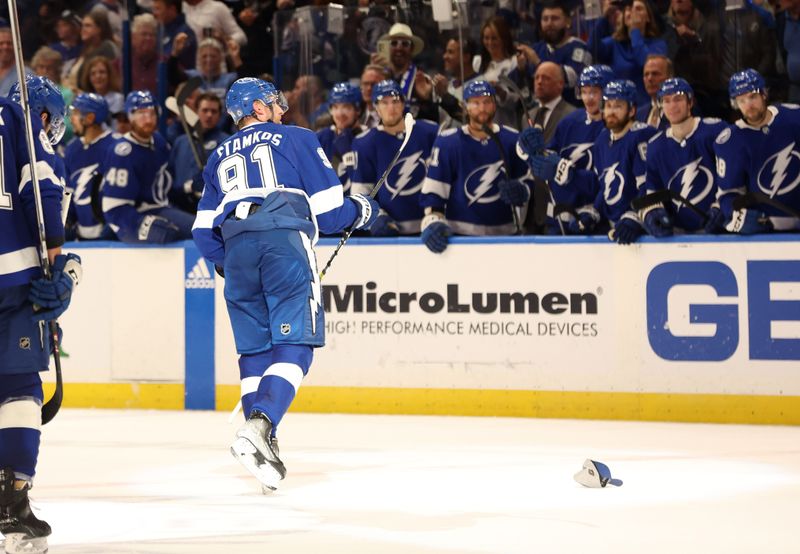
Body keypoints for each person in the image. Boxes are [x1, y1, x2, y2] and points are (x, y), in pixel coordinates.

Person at [192, 78, 379, 491]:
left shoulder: (217, 156)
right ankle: (259, 428)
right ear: (257, 108)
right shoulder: (296, 137)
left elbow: (203, 232)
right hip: (283, 239)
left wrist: (232, 263)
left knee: (255, 351)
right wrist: (363, 210)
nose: (282, 109)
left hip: (236, 249)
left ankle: (263, 446)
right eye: (275, 103)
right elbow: (330, 214)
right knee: (297, 344)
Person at [0, 75, 80, 554]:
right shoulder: (22, 120)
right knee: (19, 387)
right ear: (45, 115)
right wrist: (57, 263)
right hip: (11, 278)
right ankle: (11, 506)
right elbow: (43, 189)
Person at [520, 79, 657, 244]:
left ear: (632, 110)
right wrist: (595, 211)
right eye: (609, 105)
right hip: (609, 225)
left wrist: (635, 217)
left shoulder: (642, 135)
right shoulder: (603, 138)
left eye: (618, 106)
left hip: (636, 228)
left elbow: (649, 185)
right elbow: (604, 185)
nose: (611, 111)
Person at [420, 79, 532, 253]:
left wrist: (523, 191)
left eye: (487, 102)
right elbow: (435, 190)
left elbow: (527, 181)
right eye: (476, 102)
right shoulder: (448, 142)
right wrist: (432, 221)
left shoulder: (512, 139)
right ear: (465, 106)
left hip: (506, 236)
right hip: (460, 237)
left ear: (495, 104)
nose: (482, 108)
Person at [713, 69, 800, 234]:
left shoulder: (794, 117)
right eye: (742, 100)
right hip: (767, 228)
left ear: (764, 94)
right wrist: (736, 217)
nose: (749, 105)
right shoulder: (730, 141)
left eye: (752, 97)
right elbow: (728, 194)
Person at [101, 90, 194, 243]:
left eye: (152, 113)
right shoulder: (122, 152)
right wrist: (137, 225)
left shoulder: (159, 142)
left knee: (201, 229)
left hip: (159, 209)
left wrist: (188, 188)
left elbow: (164, 190)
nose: (148, 119)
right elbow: (114, 208)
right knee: (177, 233)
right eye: (141, 113)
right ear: (130, 117)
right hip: (130, 215)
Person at [638, 78, 727, 237]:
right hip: (677, 235)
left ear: (690, 102)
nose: (672, 106)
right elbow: (653, 191)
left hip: (717, 234)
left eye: (678, 99)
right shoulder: (655, 145)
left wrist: (721, 207)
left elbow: (732, 178)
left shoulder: (715, 132)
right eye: (666, 100)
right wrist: (652, 212)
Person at [350, 79, 439, 236]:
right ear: (376, 108)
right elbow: (361, 191)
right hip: (390, 228)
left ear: (404, 104)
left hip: (429, 225)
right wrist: (375, 218)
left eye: (395, 101)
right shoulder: (365, 143)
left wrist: (438, 215)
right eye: (384, 103)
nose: (391, 108)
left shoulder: (430, 132)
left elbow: (443, 179)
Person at [541, 64, 615, 234]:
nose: (588, 98)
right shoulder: (570, 121)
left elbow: (609, 181)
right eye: (584, 91)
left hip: (594, 222)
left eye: (594, 92)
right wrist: (536, 156)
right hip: (558, 220)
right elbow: (550, 158)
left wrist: (572, 175)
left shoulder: (615, 129)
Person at [588, 0, 667, 107]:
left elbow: (645, 63)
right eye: (629, 9)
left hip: (645, 107)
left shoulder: (657, 44)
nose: (632, 13)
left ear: (648, 18)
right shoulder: (614, 43)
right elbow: (592, 48)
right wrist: (603, 18)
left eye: (638, 9)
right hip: (617, 105)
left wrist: (635, 31)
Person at [516, 2, 592, 107]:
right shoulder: (537, 48)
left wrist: (538, 63)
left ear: (568, 22)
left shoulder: (579, 48)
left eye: (555, 18)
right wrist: (521, 69)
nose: (549, 23)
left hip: (569, 112)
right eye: (545, 19)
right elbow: (515, 86)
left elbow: (573, 78)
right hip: (538, 112)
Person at [64, 92, 117, 240]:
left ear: (90, 118)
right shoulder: (72, 149)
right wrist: (67, 221)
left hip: (110, 235)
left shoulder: (115, 147)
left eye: (75, 113)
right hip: (79, 235)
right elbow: (68, 192)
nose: (71, 118)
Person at [168, 92, 228, 212]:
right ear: (196, 111)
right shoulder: (181, 142)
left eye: (214, 111)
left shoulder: (227, 142)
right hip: (180, 206)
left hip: (211, 208)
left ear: (220, 115)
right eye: (205, 110)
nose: (209, 115)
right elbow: (170, 176)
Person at [316, 82, 364, 190]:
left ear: (358, 110)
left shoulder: (367, 139)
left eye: (346, 107)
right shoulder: (321, 138)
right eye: (335, 107)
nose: (340, 113)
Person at [636, 54, 672, 129]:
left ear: (670, 77)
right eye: (646, 74)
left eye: (655, 74)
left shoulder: (680, 111)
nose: (649, 78)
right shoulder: (638, 114)